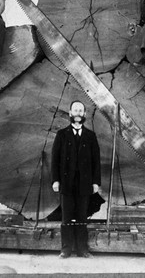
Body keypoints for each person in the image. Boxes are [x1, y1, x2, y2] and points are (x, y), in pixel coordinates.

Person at [51, 101, 101, 258]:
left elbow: (96, 161)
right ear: (70, 113)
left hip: (84, 184)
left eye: (81, 111)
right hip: (66, 183)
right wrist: (55, 180)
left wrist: (95, 182)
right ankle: (65, 249)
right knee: (66, 217)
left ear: (84, 114)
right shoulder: (61, 134)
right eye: (75, 110)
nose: (78, 113)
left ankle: (82, 249)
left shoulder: (91, 136)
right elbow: (55, 160)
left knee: (81, 217)